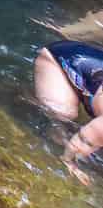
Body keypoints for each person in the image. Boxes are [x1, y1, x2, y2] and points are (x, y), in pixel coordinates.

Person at [36, 31, 103, 184]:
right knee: (62, 114)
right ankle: (25, 97)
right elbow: (83, 140)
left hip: (91, 67)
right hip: (58, 60)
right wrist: (70, 162)